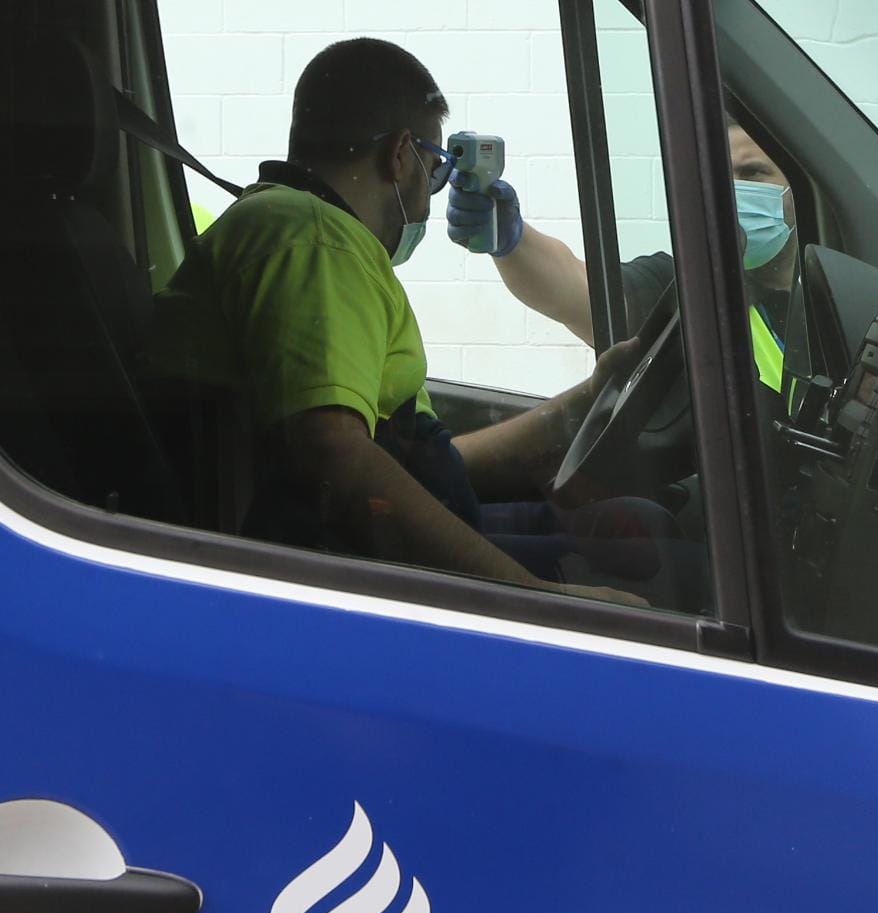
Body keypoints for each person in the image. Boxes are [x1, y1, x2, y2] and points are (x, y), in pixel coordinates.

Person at [151, 38, 644, 605]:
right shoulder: (315, 244)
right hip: (345, 573)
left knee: (635, 530)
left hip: (363, 549)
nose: (431, 200)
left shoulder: (296, 229)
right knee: (656, 565)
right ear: (401, 155)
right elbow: (335, 457)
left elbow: (411, 461)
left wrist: (582, 401)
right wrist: (539, 603)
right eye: (434, 171)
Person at [446, 122, 797, 391]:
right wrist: (513, 240)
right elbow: (578, 291)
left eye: (752, 173)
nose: (731, 191)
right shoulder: (681, 286)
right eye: (719, 177)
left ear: (795, 190)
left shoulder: (832, 294)